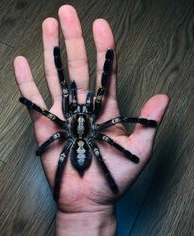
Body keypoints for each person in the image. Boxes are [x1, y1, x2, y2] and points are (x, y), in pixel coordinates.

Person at [13, 4, 169, 236]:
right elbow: (114, 117)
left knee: (66, 92)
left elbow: (49, 115)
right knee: (93, 113)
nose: (80, 112)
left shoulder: (64, 130)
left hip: (75, 145)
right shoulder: (96, 130)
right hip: (86, 144)